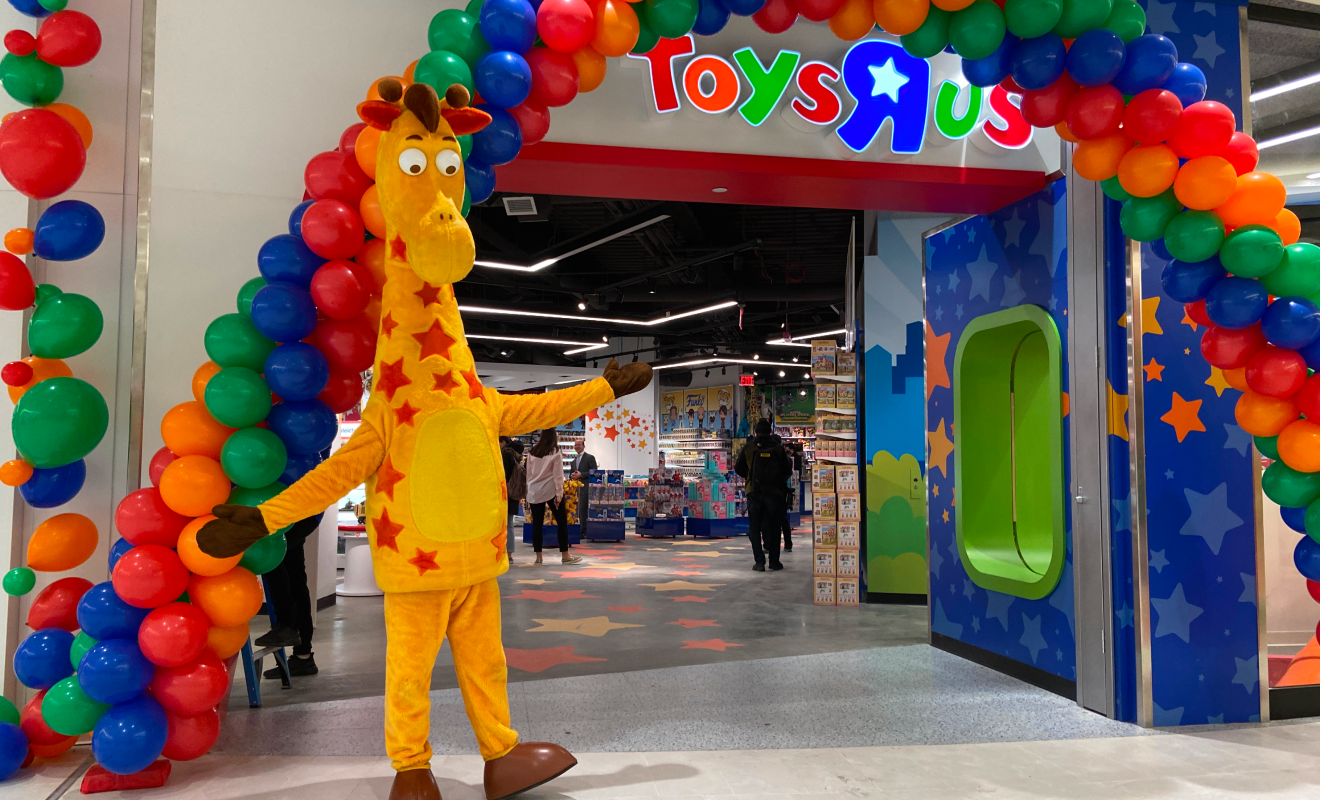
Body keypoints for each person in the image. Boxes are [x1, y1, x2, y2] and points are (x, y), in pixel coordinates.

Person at [259, 513, 322, 677]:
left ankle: (287, 626)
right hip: (300, 514)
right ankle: (303, 656)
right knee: (295, 578)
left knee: (271, 559)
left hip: (293, 513)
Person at [734, 419, 791, 572]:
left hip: (754, 492)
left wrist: (751, 476)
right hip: (775, 493)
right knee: (774, 527)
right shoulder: (778, 448)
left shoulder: (749, 447)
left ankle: (759, 562)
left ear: (756, 432)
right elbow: (787, 471)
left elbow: (738, 468)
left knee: (754, 527)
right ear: (770, 432)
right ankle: (774, 561)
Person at [525, 429, 583, 566]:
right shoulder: (555, 451)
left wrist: (528, 491)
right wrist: (559, 493)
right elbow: (557, 475)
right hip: (550, 490)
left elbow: (528, 474)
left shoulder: (532, 451)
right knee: (562, 522)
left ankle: (538, 557)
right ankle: (565, 555)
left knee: (537, 524)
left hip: (534, 491)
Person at [500, 438, 526, 560]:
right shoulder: (518, 459)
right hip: (514, 494)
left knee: (502, 524)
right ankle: (509, 553)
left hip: (504, 493)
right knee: (509, 524)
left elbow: (502, 475)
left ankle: (503, 552)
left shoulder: (505, 456)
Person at [569, 439, 597, 536]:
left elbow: (595, 472)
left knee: (583, 509)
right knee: (578, 511)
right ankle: (581, 530)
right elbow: (571, 474)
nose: (577, 446)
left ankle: (583, 531)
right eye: (575, 445)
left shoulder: (590, 458)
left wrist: (582, 474)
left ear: (583, 446)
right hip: (576, 490)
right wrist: (572, 476)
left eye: (579, 444)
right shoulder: (573, 461)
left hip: (586, 489)